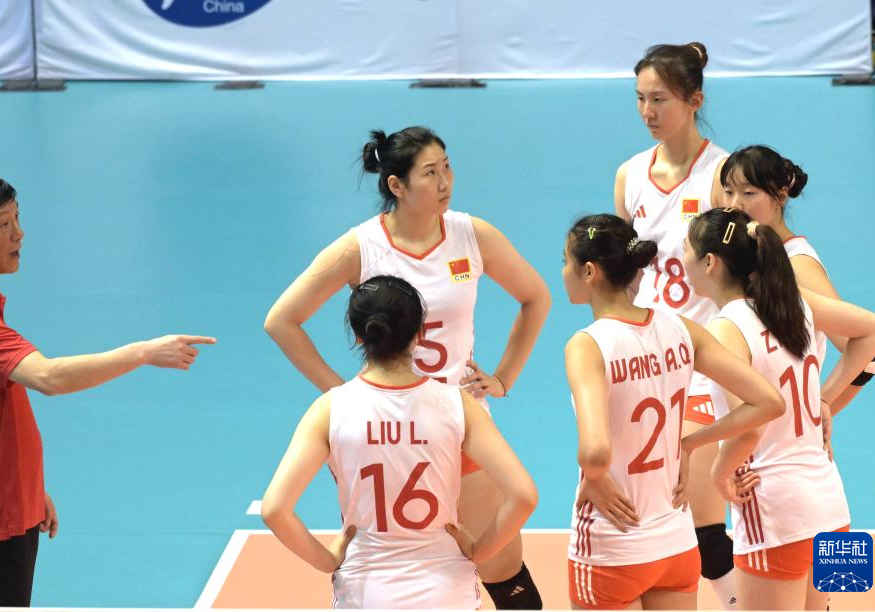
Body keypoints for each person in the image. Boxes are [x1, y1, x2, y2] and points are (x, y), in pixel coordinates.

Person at [265, 127, 550, 608]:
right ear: (396, 185)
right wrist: (341, 395)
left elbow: (535, 297)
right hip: (387, 425)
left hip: (457, 421)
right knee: (397, 555)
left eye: (447, 167)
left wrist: (504, 378)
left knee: (502, 566)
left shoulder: (471, 235)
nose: (445, 181)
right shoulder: (361, 247)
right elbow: (282, 320)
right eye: (430, 173)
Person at [0, 172, 216, 606]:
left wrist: (26, 487)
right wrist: (143, 352)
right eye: (3, 224)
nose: (19, 233)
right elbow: (49, 377)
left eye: (17, 218)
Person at [261, 275, 537, 609]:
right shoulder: (457, 404)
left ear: (359, 335)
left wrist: (327, 559)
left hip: (365, 595)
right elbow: (523, 496)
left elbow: (274, 510)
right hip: (446, 594)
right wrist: (479, 551)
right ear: (420, 334)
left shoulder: (329, 409)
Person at [561, 214, 784, 610]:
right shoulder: (681, 329)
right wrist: (690, 444)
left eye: (566, 261)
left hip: (613, 545)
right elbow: (769, 401)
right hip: (676, 545)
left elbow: (594, 453)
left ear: (589, 271)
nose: (563, 271)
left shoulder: (587, 345)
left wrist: (594, 476)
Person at [683, 208, 875, 610]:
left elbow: (751, 425)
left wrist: (719, 474)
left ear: (709, 262)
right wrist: (824, 398)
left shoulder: (727, 327)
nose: (682, 261)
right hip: (831, 504)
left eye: (686, 250)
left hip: (774, 508)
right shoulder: (795, 304)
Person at [612, 42, 738, 608]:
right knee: (664, 512)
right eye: (640, 99)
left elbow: (744, 273)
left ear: (695, 101)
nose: (648, 111)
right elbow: (619, 276)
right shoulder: (630, 175)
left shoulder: (720, 176)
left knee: (705, 519)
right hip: (645, 362)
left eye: (660, 99)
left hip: (703, 363)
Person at [719, 145, 875, 413]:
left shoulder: (797, 264)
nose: (734, 204)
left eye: (748, 193)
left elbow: (868, 359)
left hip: (778, 431)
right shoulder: (744, 258)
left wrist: (823, 406)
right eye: (728, 191)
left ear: (781, 196)